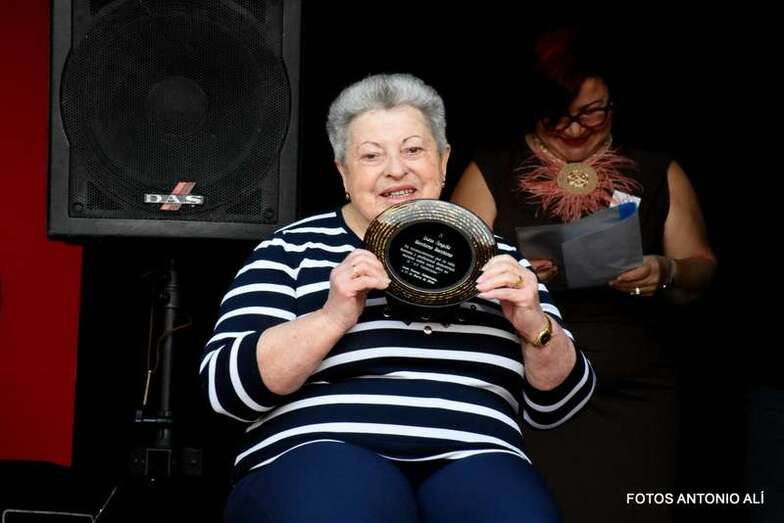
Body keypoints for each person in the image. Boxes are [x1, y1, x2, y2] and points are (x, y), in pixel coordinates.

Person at [201, 73, 596, 522]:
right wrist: (332, 317)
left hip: (475, 459)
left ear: (444, 162)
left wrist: (533, 324)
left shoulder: (496, 255)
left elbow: (561, 406)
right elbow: (225, 392)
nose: (396, 169)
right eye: (371, 155)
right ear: (342, 172)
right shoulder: (291, 249)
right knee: (349, 499)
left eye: (413, 149)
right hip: (323, 452)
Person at [451, 27, 717, 523]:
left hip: (636, 389)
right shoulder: (491, 168)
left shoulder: (657, 169)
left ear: (613, 103)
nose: (575, 129)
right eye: (559, 115)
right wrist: (513, 278)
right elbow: (449, 272)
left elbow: (702, 269)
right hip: (527, 387)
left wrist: (666, 269)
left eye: (591, 113)